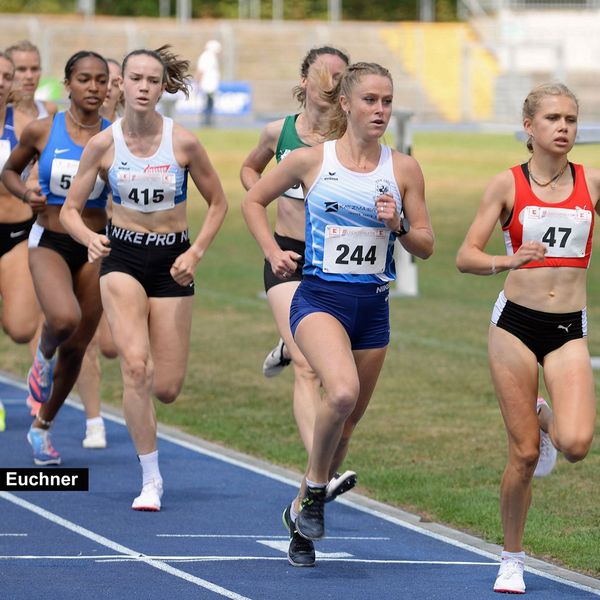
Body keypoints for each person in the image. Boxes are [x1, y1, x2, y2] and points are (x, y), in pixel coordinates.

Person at [242, 62, 434, 567]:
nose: (380, 110)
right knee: (341, 392)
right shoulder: (310, 161)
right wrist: (273, 250)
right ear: (345, 103)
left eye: (387, 101)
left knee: (345, 427)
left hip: (372, 308)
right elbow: (253, 200)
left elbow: (427, 245)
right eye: (370, 100)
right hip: (319, 298)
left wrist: (400, 224)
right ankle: (312, 496)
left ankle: (302, 515)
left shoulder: (405, 168)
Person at [60, 46, 228, 511]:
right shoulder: (103, 144)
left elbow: (219, 203)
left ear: (162, 88)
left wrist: (195, 252)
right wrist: (88, 239)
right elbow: (72, 211)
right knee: (135, 366)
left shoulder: (184, 143)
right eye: (134, 79)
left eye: (152, 81)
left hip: (174, 263)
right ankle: (150, 478)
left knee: (167, 388)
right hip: (123, 259)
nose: (142, 88)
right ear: (122, 85)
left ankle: (148, 420)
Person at [456, 83, 598, 594]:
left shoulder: (592, 182)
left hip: (567, 329)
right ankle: (512, 557)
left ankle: (545, 415)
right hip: (514, 324)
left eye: (572, 119)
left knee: (577, 443)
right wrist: (505, 259)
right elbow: (465, 255)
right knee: (523, 456)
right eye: (554, 118)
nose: (564, 128)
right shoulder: (507, 185)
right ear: (529, 127)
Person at [241, 47, 359, 519]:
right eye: (324, 74)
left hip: (332, 263)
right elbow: (251, 170)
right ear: (304, 80)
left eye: (341, 76)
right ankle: (322, 474)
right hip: (287, 256)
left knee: (316, 360)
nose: (332, 82)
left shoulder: (349, 138)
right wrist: (269, 234)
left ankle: (287, 346)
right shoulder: (280, 132)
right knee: (313, 369)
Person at [2, 50, 111, 466]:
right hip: (49, 237)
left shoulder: (114, 137)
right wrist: (26, 193)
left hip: (95, 243)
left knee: (80, 344)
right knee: (63, 320)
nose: (94, 87)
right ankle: (41, 356)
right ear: (68, 84)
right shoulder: (43, 131)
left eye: (101, 80)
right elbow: (10, 171)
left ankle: (41, 427)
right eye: (84, 79)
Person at [76, 56, 123, 450]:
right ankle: (94, 422)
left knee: (111, 344)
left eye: (113, 80)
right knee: (87, 338)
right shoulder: (82, 134)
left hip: (124, 245)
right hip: (83, 240)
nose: (107, 89)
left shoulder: (135, 134)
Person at [0, 50, 40, 431]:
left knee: (22, 327)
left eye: (6, 76)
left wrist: (34, 184)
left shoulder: (27, 126)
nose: (0, 81)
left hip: (15, 233)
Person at [6, 40, 57, 134]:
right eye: (21, 69)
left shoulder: (49, 109)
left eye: (34, 69)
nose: (29, 76)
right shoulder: (3, 113)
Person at [195, 40, 221, 127]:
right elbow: (201, 71)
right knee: (207, 102)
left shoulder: (212, 57)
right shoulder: (206, 57)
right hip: (207, 85)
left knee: (210, 102)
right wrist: (198, 82)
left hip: (211, 85)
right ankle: (206, 121)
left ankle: (208, 120)